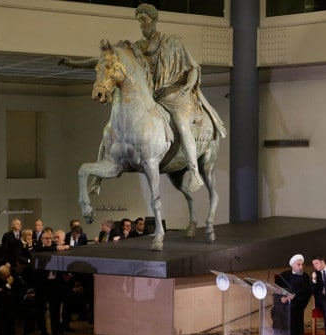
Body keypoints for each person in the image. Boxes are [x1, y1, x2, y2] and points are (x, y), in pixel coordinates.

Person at [60, 4, 227, 193]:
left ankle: (195, 173)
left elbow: (193, 67)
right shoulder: (137, 48)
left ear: (154, 20)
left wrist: (188, 86)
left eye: (144, 19)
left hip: (175, 94)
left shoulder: (172, 42)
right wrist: (76, 64)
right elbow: (107, 61)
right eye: (139, 19)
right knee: (110, 132)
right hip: (152, 96)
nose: (141, 23)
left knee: (181, 122)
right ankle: (97, 180)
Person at [273, 254, 312, 335]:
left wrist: (294, 296)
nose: (301, 267)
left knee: (291, 308)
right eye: (298, 264)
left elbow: (306, 291)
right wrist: (282, 298)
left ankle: (292, 334)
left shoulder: (305, 276)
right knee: (276, 308)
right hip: (285, 299)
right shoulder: (284, 275)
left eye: (302, 265)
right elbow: (277, 288)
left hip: (297, 301)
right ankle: (278, 331)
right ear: (292, 265)